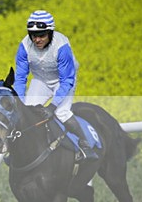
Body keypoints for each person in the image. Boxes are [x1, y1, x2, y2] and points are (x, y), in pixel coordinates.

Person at [13, 10, 98, 160]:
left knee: (61, 113)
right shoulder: (24, 46)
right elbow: (20, 78)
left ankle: (84, 143)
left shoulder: (61, 46)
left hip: (63, 81)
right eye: (33, 35)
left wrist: (53, 106)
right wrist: (18, 100)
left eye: (41, 35)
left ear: (50, 33)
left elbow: (66, 80)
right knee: (27, 111)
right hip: (41, 80)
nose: (37, 40)